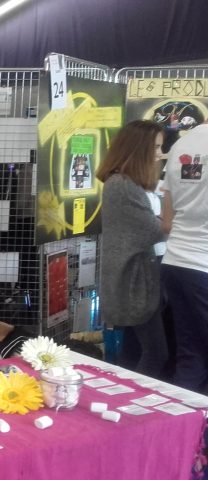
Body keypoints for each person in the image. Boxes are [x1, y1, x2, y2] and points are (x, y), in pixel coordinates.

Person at [96, 120, 167, 378]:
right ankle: (136, 399)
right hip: (132, 282)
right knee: (155, 353)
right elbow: (152, 230)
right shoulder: (123, 185)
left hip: (134, 278)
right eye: (156, 147)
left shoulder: (126, 184)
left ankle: (122, 395)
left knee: (134, 350)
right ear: (139, 149)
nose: (160, 154)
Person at [161, 119, 208, 391]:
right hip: (202, 264)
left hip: (176, 261)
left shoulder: (182, 143)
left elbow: (167, 222)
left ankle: (185, 416)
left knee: (191, 353)